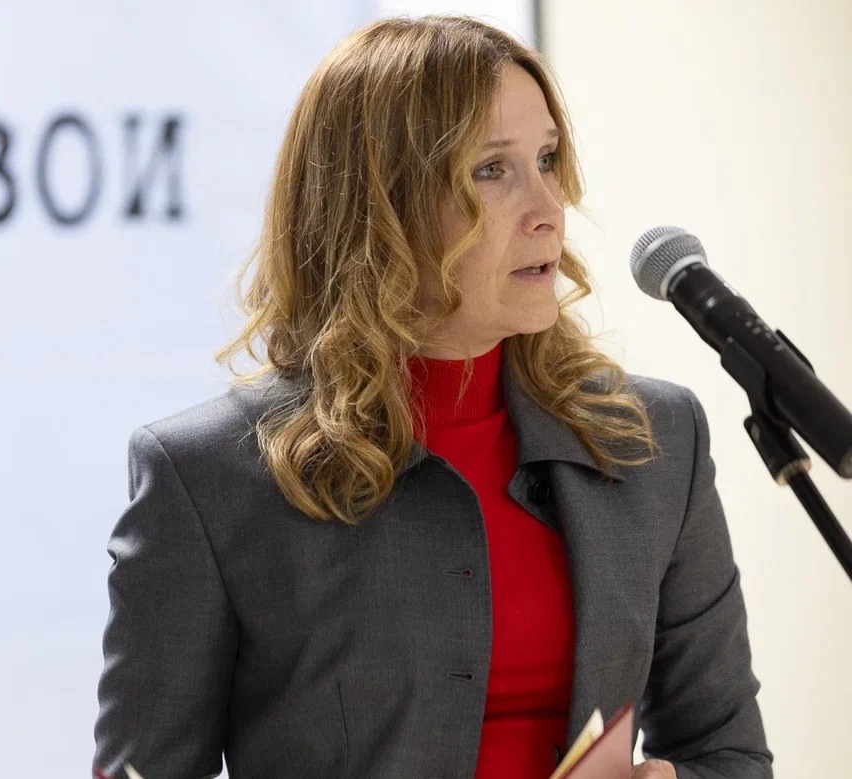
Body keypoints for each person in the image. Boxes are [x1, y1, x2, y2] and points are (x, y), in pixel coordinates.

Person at [92, 15, 772, 779]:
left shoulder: (656, 438)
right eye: (492, 169)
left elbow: (729, 754)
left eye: (548, 159)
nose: (548, 208)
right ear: (379, 209)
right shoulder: (205, 479)